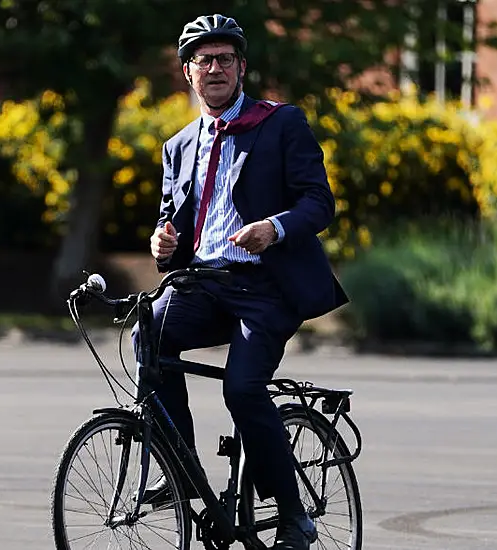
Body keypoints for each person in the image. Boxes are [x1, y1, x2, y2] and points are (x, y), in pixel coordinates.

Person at [130, 13, 350, 550]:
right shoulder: (178, 145)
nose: (215, 68)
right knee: (147, 337)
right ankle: (178, 469)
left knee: (243, 389)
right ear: (188, 72)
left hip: (267, 289)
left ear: (242, 67)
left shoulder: (281, 123)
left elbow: (319, 204)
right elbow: (173, 225)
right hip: (205, 285)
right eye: (203, 60)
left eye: (225, 58)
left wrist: (273, 230)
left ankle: (294, 517)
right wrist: (163, 244)